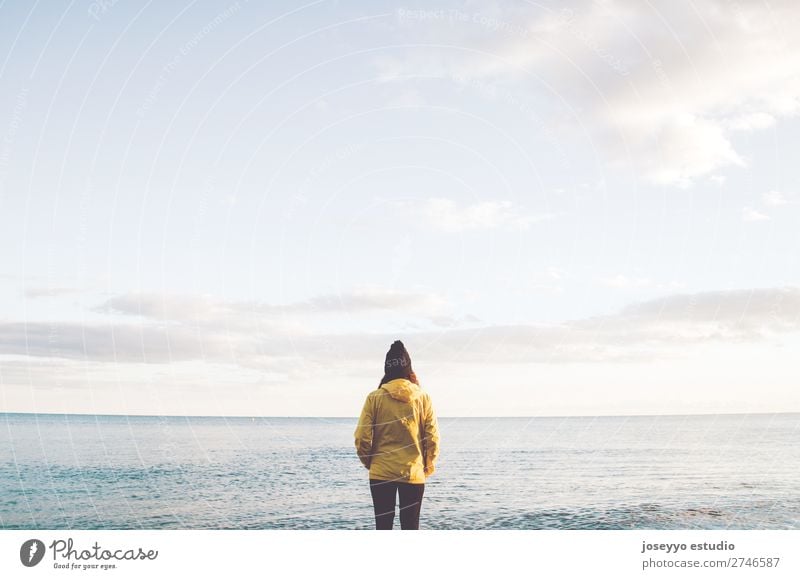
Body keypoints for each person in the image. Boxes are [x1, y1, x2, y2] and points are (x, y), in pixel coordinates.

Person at [354, 340, 440, 530]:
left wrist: (371, 463)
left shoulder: (374, 397)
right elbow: (432, 438)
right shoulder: (422, 397)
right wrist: (426, 467)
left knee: (383, 527)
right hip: (413, 474)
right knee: (411, 527)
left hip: (381, 473)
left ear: (387, 371)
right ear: (409, 370)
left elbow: (362, 437)